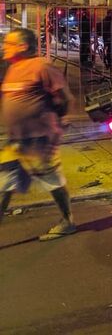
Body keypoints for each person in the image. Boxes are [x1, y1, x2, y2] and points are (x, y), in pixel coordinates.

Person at [0, 28, 76, 240]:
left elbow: (65, 98)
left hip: (40, 139)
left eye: (8, 43)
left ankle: (67, 220)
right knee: (4, 185)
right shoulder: (13, 67)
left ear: (23, 46)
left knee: (52, 180)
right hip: (16, 140)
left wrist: (60, 121)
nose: (4, 47)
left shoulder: (42, 66)